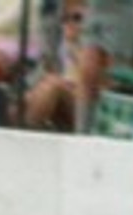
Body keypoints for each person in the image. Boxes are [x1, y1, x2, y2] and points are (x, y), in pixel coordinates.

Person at [73, 0, 133, 133]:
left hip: (122, 12)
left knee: (113, 76)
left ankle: (109, 129)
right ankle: (81, 133)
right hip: (95, 9)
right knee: (87, 72)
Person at [24, 0, 84, 129]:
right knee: (23, 100)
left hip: (86, 102)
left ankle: (27, 135)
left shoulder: (97, 48)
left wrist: (75, 48)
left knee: (52, 86)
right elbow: (43, 71)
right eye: (65, 19)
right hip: (57, 95)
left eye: (77, 18)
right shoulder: (56, 44)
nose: (69, 23)